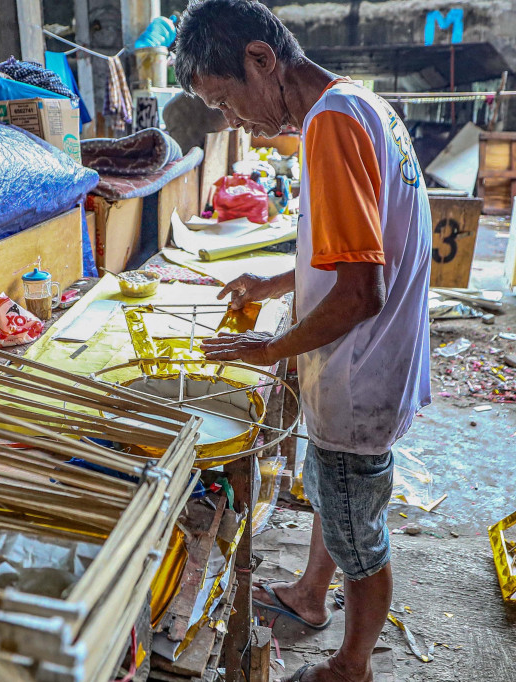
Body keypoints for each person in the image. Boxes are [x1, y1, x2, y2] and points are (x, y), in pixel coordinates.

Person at [173, 1, 431, 681]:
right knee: (333, 492)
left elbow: (359, 291)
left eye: (226, 100)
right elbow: (360, 250)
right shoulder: (358, 106)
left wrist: (269, 350)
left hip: (361, 375)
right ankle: (310, 596)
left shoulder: (333, 126)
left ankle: (351, 664)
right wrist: (274, 280)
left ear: (261, 60)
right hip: (373, 368)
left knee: (359, 536)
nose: (235, 124)